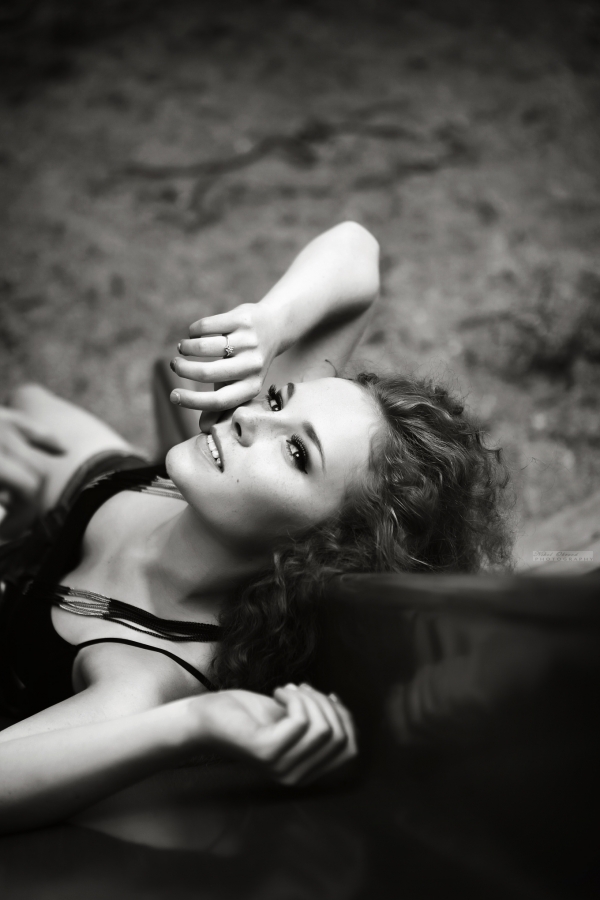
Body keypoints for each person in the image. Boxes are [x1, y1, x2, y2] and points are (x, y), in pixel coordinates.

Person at [0, 222, 512, 834]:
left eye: (296, 453)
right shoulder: (230, 468)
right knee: (31, 403)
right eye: (277, 400)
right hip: (102, 494)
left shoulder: (143, 679)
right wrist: (270, 323)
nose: (249, 419)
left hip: (25, 607)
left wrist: (189, 725)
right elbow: (358, 251)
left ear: (325, 549)